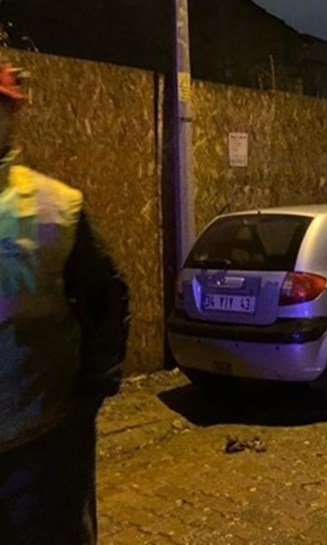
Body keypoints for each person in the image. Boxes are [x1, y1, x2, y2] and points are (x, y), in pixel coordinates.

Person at [0, 59, 129, 545]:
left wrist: (88, 395)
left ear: (12, 116)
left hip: (42, 451)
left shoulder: (57, 208)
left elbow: (106, 300)